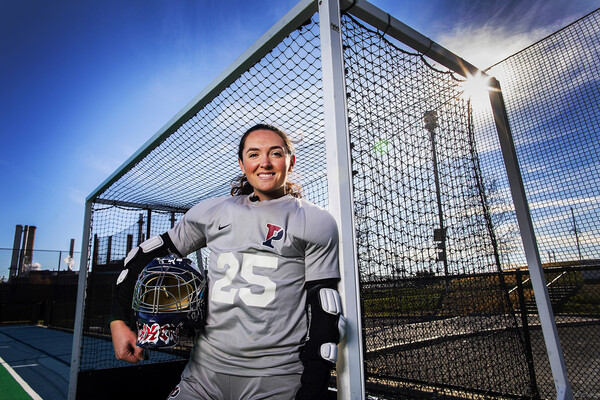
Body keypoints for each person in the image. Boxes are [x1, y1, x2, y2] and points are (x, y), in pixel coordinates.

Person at [110, 123, 345, 400]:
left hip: (274, 379)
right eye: (254, 154)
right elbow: (142, 257)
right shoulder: (212, 212)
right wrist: (117, 321)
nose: (265, 163)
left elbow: (325, 312)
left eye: (276, 153)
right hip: (203, 374)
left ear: (291, 162)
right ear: (242, 163)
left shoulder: (314, 221)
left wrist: (312, 391)